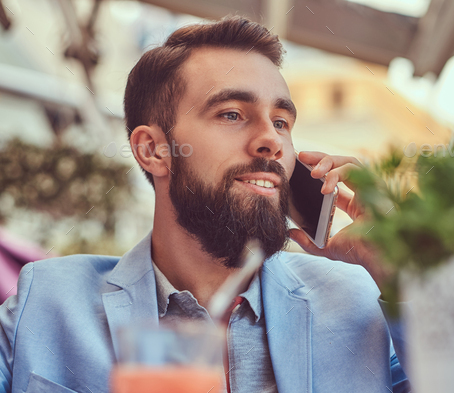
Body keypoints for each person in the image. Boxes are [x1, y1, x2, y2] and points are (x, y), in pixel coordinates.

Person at [0, 16, 410, 393]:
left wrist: (402, 274)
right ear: (153, 150)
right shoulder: (46, 302)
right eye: (232, 114)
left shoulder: (361, 305)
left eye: (282, 121)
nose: (272, 139)